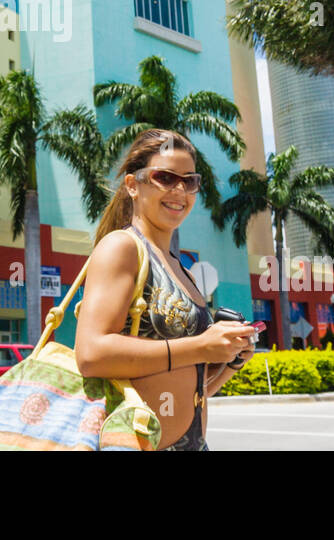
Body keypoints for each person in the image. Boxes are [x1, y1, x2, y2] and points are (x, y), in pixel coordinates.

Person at [74, 130, 258, 451]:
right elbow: (92, 353)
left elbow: (189, 388)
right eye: (165, 177)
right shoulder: (122, 247)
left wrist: (229, 361)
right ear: (133, 185)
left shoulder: (183, 270)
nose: (179, 190)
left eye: (189, 181)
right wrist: (201, 346)